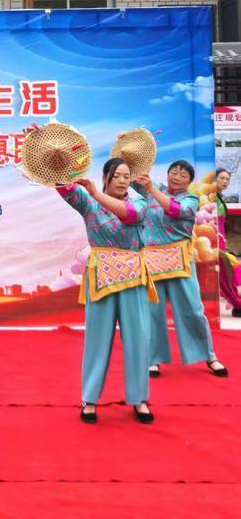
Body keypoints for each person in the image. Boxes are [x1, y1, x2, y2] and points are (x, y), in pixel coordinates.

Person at [56, 158, 156, 424]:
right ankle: (89, 399)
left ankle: (139, 399)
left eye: (126, 175)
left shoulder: (139, 203)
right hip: (101, 277)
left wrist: (95, 193)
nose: (123, 180)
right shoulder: (88, 202)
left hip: (133, 277)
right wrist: (55, 157)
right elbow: (63, 185)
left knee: (137, 339)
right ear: (105, 177)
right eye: (117, 175)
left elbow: (129, 215)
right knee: (97, 340)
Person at [134, 162, 227, 378]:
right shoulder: (153, 189)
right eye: (173, 172)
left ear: (189, 181)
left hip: (180, 261)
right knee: (152, 312)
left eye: (183, 175)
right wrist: (130, 154)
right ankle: (153, 359)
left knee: (193, 310)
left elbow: (174, 210)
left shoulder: (190, 199)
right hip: (152, 261)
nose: (176, 176)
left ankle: (210, 356)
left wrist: (151, 188)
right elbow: (131, 178)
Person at [215, 168, 241, 318]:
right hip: (213, 243)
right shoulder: (209, 198)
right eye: (222, 178)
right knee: (226, 274)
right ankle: (237, 304)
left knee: (227, 274)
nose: (225, 181)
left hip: (220, 242)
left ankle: (237, 304)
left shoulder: (218, 197)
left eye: (227, 179)